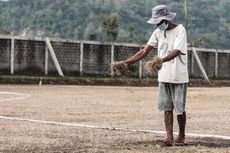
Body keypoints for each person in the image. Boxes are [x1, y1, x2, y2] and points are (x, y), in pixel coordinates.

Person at [116, 5, 189, 147]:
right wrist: (125, 62)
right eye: (156, 22)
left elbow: (177, 51)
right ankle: (169, 137)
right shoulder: (157, 33)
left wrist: (160, 60)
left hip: (178, 75)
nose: (157, 24)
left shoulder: (180, 30)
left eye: (159, 21)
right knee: (167, 108)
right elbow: (143, 52)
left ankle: (181, 136)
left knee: (179, 108)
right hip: (163, 76)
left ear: (166, 19)